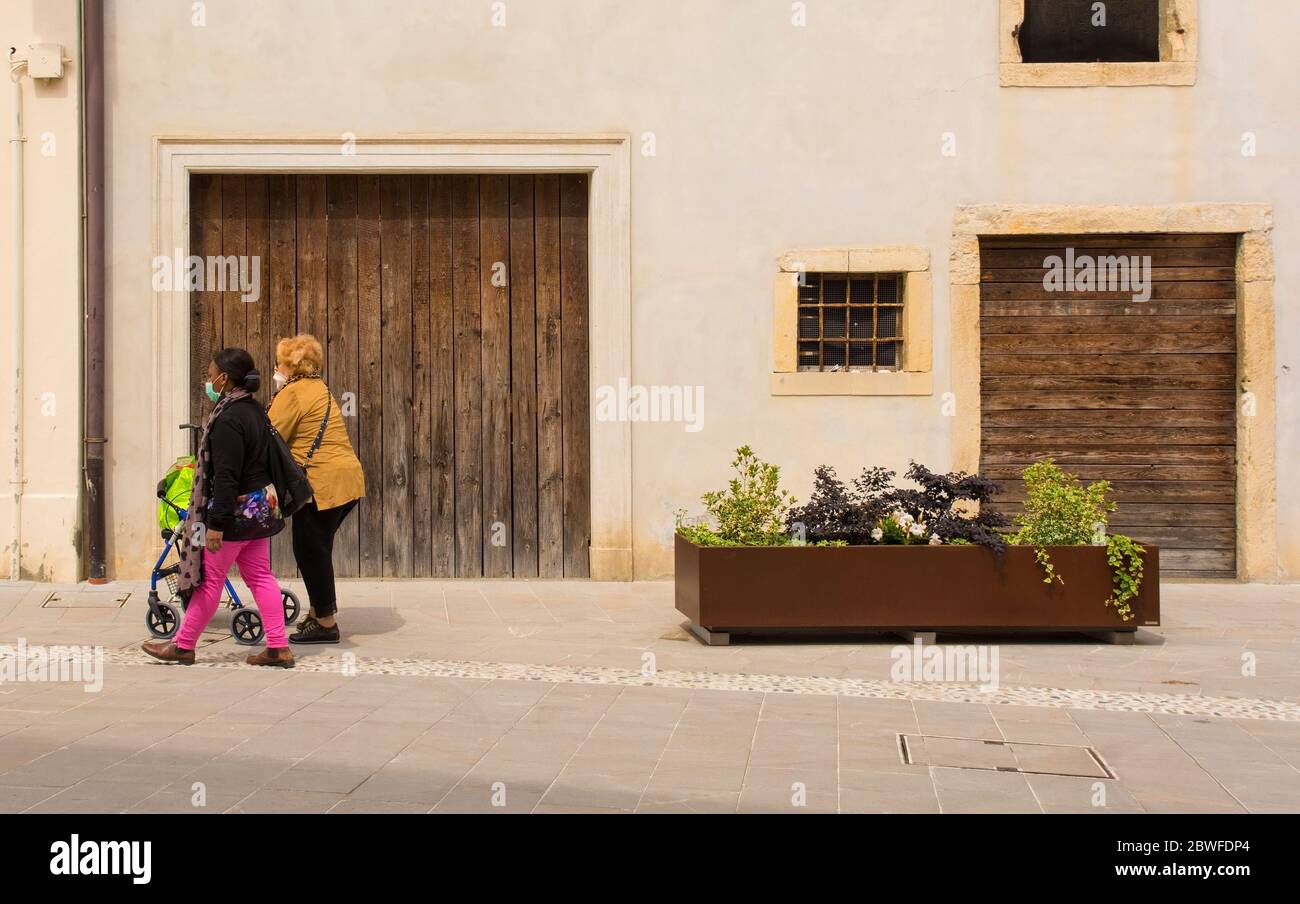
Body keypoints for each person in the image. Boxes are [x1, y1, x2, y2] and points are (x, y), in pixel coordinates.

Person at [143, 348, 294, 668]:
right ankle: (278, 647)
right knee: (261, 577)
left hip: (233, 515)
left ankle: (183, 646)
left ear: (225, 379)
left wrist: (216, 525)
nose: (208, 380)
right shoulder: (253, 410)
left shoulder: (227, 419)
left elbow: (225, 477)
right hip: (260, 509)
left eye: (211, 375)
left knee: (210, 580)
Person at [268, 334, 365, 644]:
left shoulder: (293, 393)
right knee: (317, 547)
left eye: (280, 362)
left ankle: (325, 622)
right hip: (345, 479)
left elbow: (269, 436)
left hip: (323, 483)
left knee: (310, 549)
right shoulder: (319, 388)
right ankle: (317, 613)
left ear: (292, 366)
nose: (276, 367)